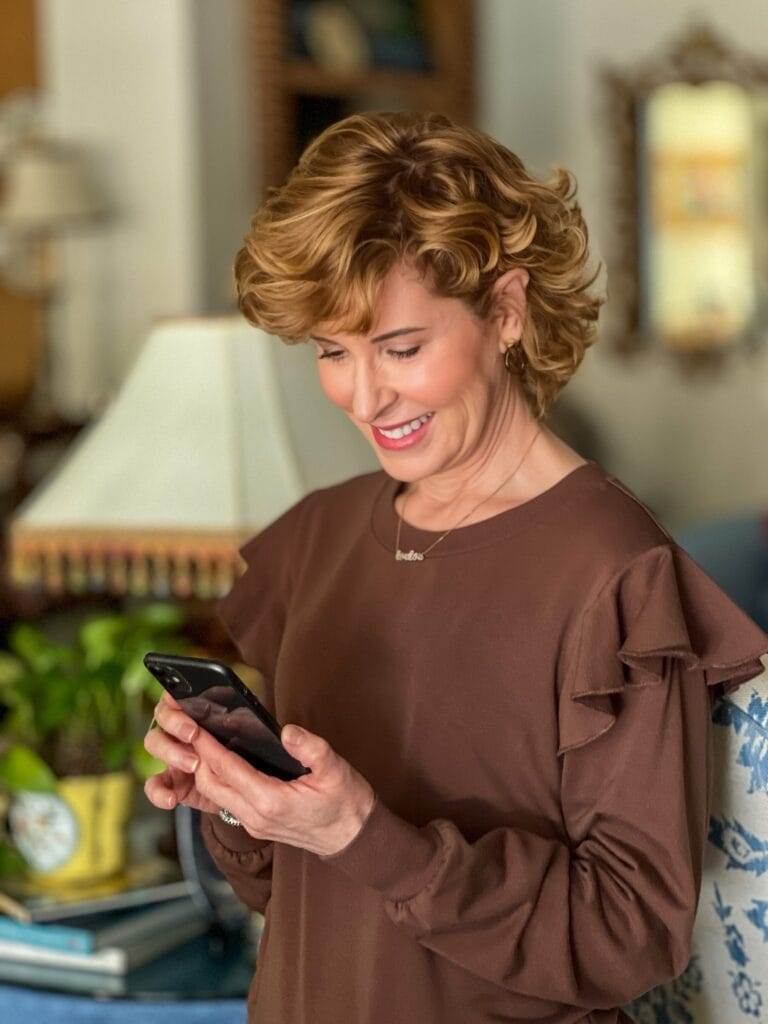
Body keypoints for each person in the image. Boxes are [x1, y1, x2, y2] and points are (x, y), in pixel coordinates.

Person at [143, 111, 768, 1024]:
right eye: (331, 352)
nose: (364, 397)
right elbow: (298, 898)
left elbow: (627, 935)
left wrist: (368, 835)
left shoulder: (614, 574)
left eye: (401, 349)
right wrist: (244, 802)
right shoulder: (321, 536)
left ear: (506, 310)